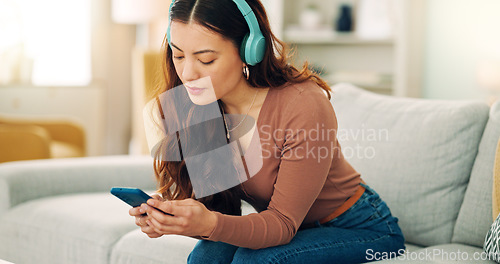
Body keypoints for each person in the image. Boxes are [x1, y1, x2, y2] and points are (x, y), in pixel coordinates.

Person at [129, 0, 406, 263]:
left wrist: (208, 223)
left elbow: (282, 223)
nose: (187, 73)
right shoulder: (197, 107)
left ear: (250, 49)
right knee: (207, 257)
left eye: (206, 60)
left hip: (360, 227)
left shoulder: (302, 105)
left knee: (258, 260)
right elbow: (221, 214)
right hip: (293, 228)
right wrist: (173, 218)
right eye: (178, 55)